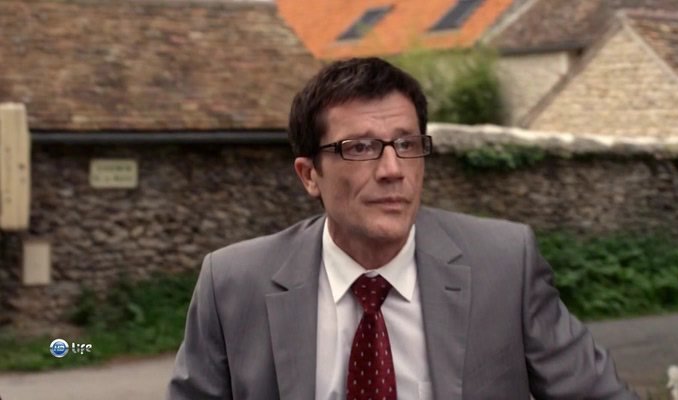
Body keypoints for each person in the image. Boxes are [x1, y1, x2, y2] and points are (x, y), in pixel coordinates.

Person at [166, 57, 636, 399]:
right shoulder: (233, 284)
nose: (393, 170)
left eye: (407, 144)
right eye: (361, 148)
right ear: (309, 175)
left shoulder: (504, 264)